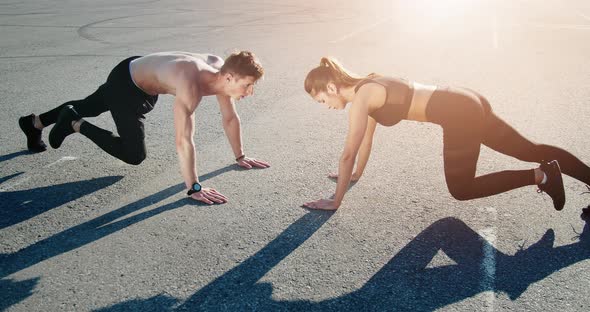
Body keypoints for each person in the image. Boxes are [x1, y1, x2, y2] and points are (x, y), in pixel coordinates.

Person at [302, 57, 590, 211]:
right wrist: (355, 176)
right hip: (463, 98)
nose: (324, 106)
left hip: (459, 114)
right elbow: (365, 142)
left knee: (461, 189)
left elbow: (348, 153)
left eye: (320, 100)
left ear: (329, 88)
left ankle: (542, 176)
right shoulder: (369, 83)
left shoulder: (362, 98)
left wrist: (335, 201)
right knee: (531, 149)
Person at [18, 51, 270, 205]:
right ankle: (74, 123)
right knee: (134, 154)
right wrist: (194, 187)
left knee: (90, 105)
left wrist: (240, 156)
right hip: (130, 86)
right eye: (248, 85)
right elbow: (183, 139)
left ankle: (33, 123)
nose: (250, 92)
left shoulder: (220, 70)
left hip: (134, 69)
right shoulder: (191, 85)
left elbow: (229, 118)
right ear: (229, 78)